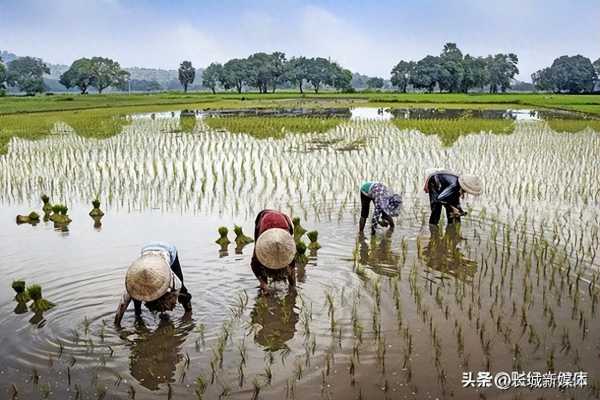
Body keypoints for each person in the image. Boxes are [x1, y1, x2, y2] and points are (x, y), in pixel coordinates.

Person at [114, 242, 192, 326]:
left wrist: (187, 316)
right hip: (146, 253)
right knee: (136, 297)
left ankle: (189, 312)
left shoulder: (171, 278)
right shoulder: (133, 283)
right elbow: (122, 304)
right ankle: (138, 317)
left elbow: (181, 290)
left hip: (168, 250)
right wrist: (117, 324)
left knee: (182, 290)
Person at [251, 209, 297, 294]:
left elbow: (292, 269)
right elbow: (254, 266)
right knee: (260, 260)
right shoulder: (261, 247)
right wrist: (263, 284)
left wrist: (293, 288)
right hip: (263, 219)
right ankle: (265, 285)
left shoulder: (289, 250)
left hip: (284, 220)